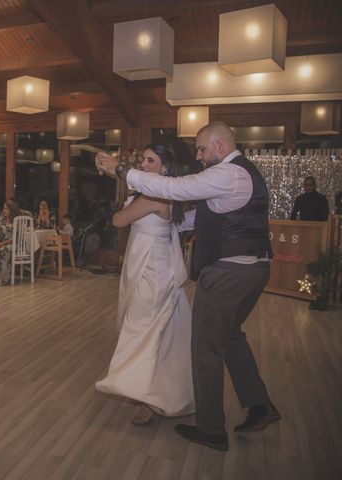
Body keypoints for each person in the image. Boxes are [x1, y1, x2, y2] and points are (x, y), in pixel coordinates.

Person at [97, 121, 279, 452]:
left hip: (229, 271)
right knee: (231, 336)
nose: (198, 155)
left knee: (206, 346)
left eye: (202, 148)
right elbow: (198, 217)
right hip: (254, 267)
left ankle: (211, 430)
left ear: (220, 147)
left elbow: (175, 190)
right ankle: (260, 404)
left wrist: (120, 169)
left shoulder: (228, 173)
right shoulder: (237, 176)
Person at [95, 144, 194, 426]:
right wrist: (109, 167)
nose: (145, 164)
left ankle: (146, 397)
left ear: (165, 168)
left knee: (143, 330)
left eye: (152, 161)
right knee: (160, 332)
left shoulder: (155, 196)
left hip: (152, 267)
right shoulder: (157, 191)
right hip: (147, 261)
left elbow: (118, 220)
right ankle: (154, 390)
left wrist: (118, 175)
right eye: (144, 160)